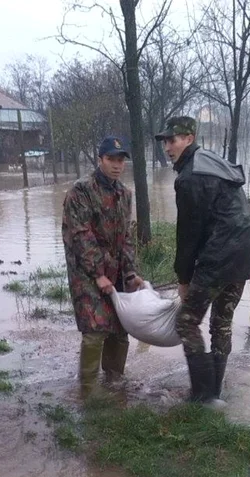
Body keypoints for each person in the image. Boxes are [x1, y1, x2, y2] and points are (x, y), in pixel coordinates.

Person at [155, 116, 250, 405]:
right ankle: (216, 390)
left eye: (173, 139)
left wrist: (184, 279)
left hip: (221, 256)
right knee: (221, 322)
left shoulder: (190, 177)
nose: (167, 146)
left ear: (189, 138)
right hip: (246, 254)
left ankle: (203, 396)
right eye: (165, 141)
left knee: (186, 322)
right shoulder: (211, 161)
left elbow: (188, 235)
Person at [62, 136, 144, 399]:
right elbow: (80, 236)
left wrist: (130, 272)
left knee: (120, 328)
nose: (117, 165)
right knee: (95, 328)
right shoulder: (81, 191)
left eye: (121, 160)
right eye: (111, 159)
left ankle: (114, 379)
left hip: (117, 271)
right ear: (100, 160)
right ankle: (88, 389)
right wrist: (98, 274)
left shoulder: (125, 194)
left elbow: (127, 237)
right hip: (86, 271)